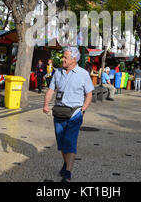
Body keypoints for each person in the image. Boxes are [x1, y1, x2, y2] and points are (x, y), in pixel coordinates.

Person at [43, 47, 93, 182]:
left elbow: (89, 94)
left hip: (75, 113)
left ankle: (68, 174)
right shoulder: (57, 72)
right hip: (59, 112)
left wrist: (83, 109)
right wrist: (46, 104)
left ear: (74, 59)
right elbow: (51, 90)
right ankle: (66, 163)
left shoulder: (83, 74)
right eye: (63, 57)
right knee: (61, 143)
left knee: (70, 142)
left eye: (65, 57)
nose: (62, 59)